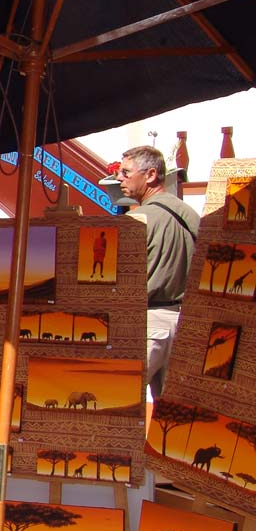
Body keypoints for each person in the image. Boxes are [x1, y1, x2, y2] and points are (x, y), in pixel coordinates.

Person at [117, 145, 200, 398]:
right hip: (184, 323)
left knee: (122, 398)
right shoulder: (191, 214)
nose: (119, 178)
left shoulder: (137, 220)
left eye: (126, 172)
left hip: (149, 322)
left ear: (151, 175)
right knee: (172, 409)